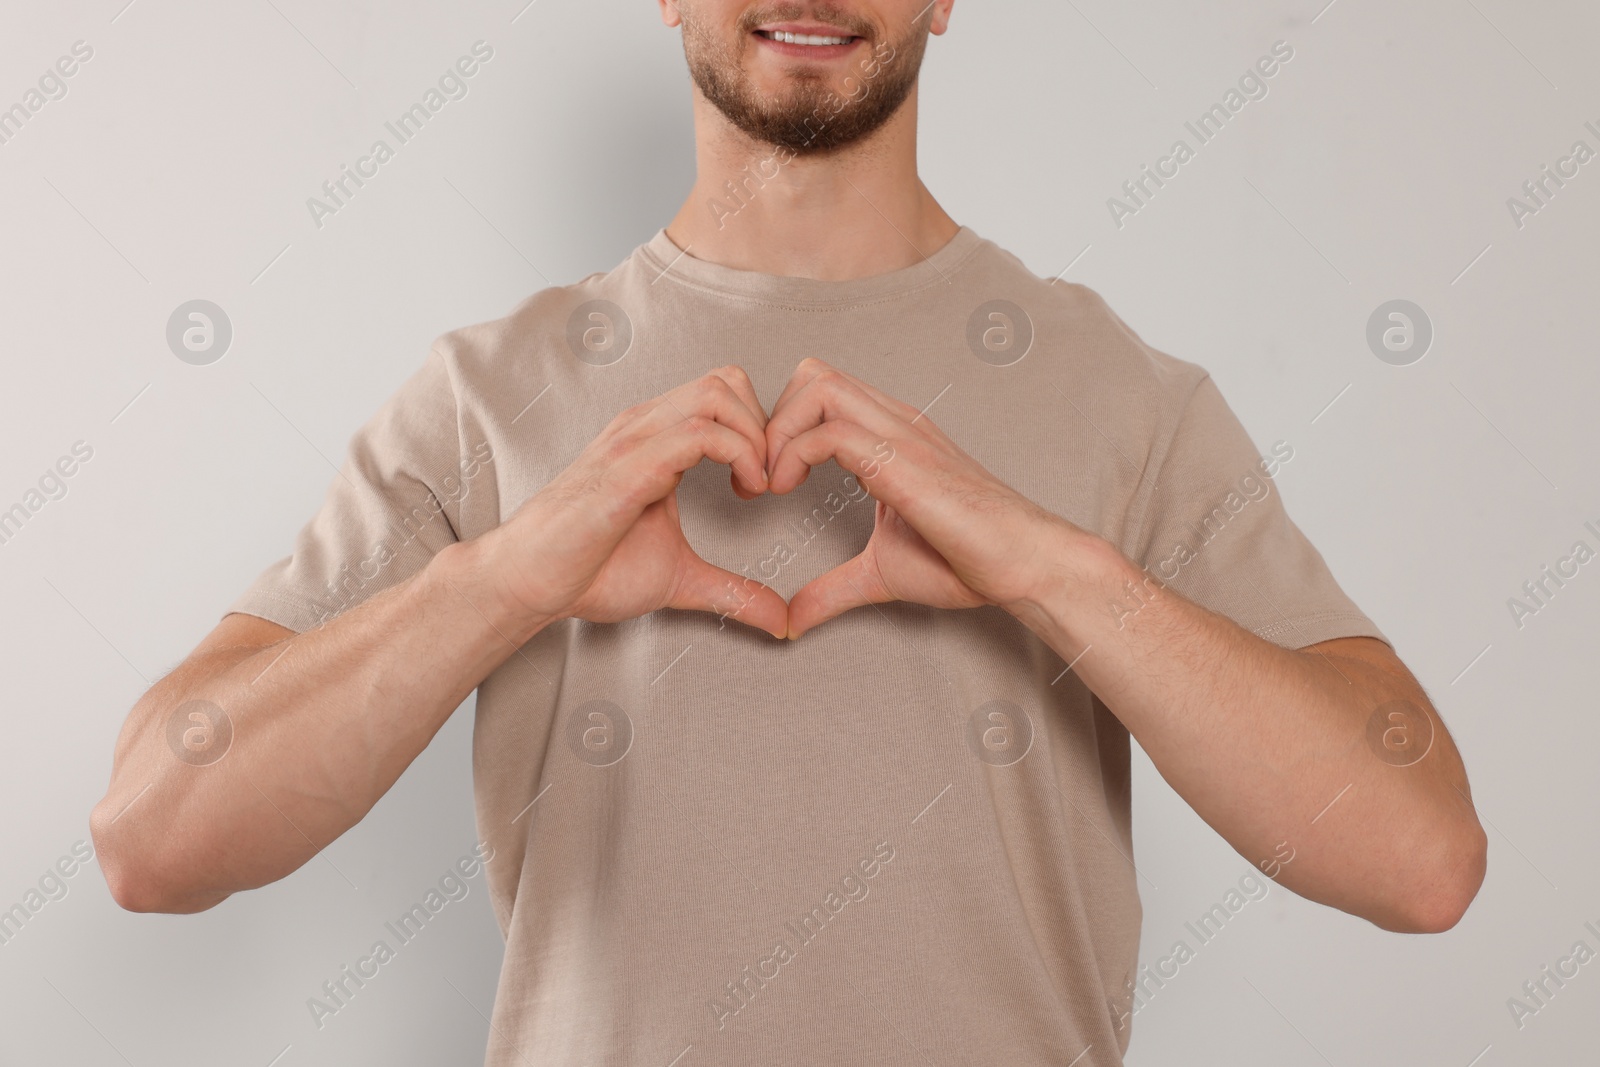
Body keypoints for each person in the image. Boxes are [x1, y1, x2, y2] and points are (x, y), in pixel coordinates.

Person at [91, 2, 1487, 1063]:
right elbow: (153, 835)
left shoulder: (1127, 395)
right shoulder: (485, 398)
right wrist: (506, 580)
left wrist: (1057, 572)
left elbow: (1421, 860)